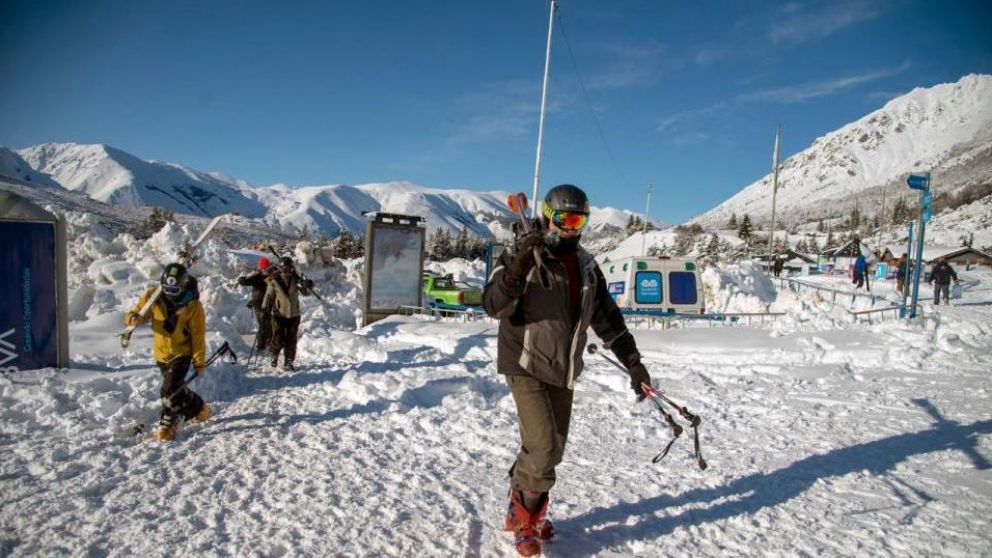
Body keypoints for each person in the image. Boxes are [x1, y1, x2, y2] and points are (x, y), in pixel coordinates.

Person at [483, 184, 650, 557]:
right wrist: (518, 265)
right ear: (547, 216)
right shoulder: (522, 253)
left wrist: (634, 363)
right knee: (542, 446)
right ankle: (526, 520)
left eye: (578, 221)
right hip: (525, 362)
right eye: (564, 220)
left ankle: (525, 504)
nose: (571, 229)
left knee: (552, 449)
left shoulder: (588, 267)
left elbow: (608, 319)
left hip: (563, 367)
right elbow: (494, 305)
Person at [125, 262, 210, 442]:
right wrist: (133, 318)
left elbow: (198, 336)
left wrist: (199, 361)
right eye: (167, 289)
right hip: (162, 355)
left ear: (183, 285)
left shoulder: (193, 306)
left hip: (182, 353)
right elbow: (138, 313)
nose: (170, 294)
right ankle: (200, 409)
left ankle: (168, 425)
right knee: (176, 390)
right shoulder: (153, 297)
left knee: (169, 391)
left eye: (175, 290)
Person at [262, 256, 313, 371]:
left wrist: (308, 285)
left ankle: (288, 361)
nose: (286, 271)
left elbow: (305, 292)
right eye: (284, 269)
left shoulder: (296, 280)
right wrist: (265, 309)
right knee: (278, 337)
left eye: (289, 269)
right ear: (279, 269)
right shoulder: (274, 281)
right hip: (279, 314)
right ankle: (274, 354)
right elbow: (269, 296)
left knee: (291, 339)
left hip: (294, 314)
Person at [237, 257, 274, 354]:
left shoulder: (271, 276)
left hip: (268, 303)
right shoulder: (257, 276)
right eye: (265, 268)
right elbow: (244, 282)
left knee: (269, 323)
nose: (267, 270)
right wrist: (241, 279)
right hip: (258, 303)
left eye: (268, 268)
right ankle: (261, 344)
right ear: (261, 268)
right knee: (263, 323)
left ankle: (269, 342)